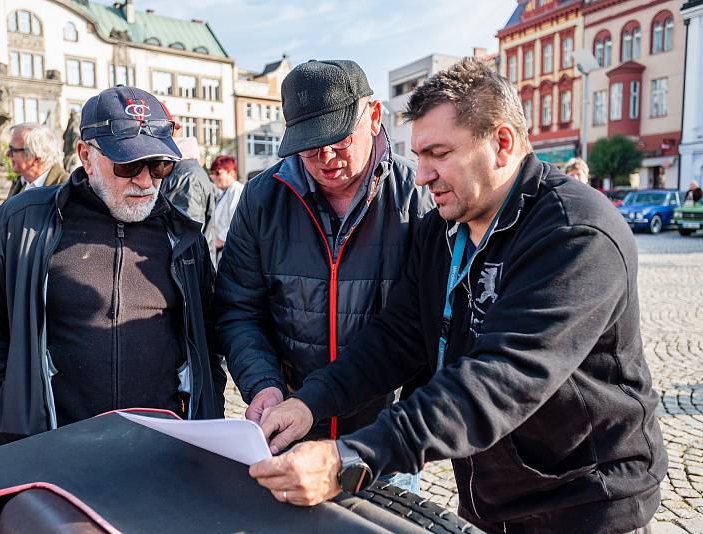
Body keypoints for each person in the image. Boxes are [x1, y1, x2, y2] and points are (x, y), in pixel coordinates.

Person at [251, 58, 667, 534]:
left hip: (587, 503)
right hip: (491, 499)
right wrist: (310, 403)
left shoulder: (575, 233)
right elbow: (396, 340)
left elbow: (503, 378)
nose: (422, 175)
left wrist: (349, 457)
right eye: (419, 155)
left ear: (502, 144)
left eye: (439, 153)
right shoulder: (441, 231)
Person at [0, 86, 225, 446]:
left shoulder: (183, 236)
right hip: (54, 447)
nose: (145, 181)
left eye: (160, 165)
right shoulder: (23, 222)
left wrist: (205, 412)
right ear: (86, 155)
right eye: (127, 164)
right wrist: (5, 408)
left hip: (162, 448)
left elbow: (209, 336)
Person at [214, 59, 434, 491]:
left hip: (381, 439)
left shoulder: (418, 196)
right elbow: (238, 310)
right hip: (289, 430)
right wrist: (263, 385)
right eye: (309, 146)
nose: (325, 158)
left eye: (337, 140)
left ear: (373, 117)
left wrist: (405, 426)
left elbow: (429, 328)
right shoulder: (262, 198)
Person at [160, 136, 218, 265]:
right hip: (198, 260)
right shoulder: (192, 172)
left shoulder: (186, 176)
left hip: (188, 265)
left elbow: (187, 230)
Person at [5, 123, 68, 199]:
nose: (7, 153)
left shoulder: (66, 187)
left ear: (36, 159)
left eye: (13, 150)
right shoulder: (19, 184)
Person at [209, 155, 243, 253]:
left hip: (230, 249)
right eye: (212, 173)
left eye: (218, 173)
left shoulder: (236, 189)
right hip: (224, 248)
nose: (213, 177)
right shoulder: (224, 192)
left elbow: (236, 222)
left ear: (231, 173)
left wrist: (217, 242)